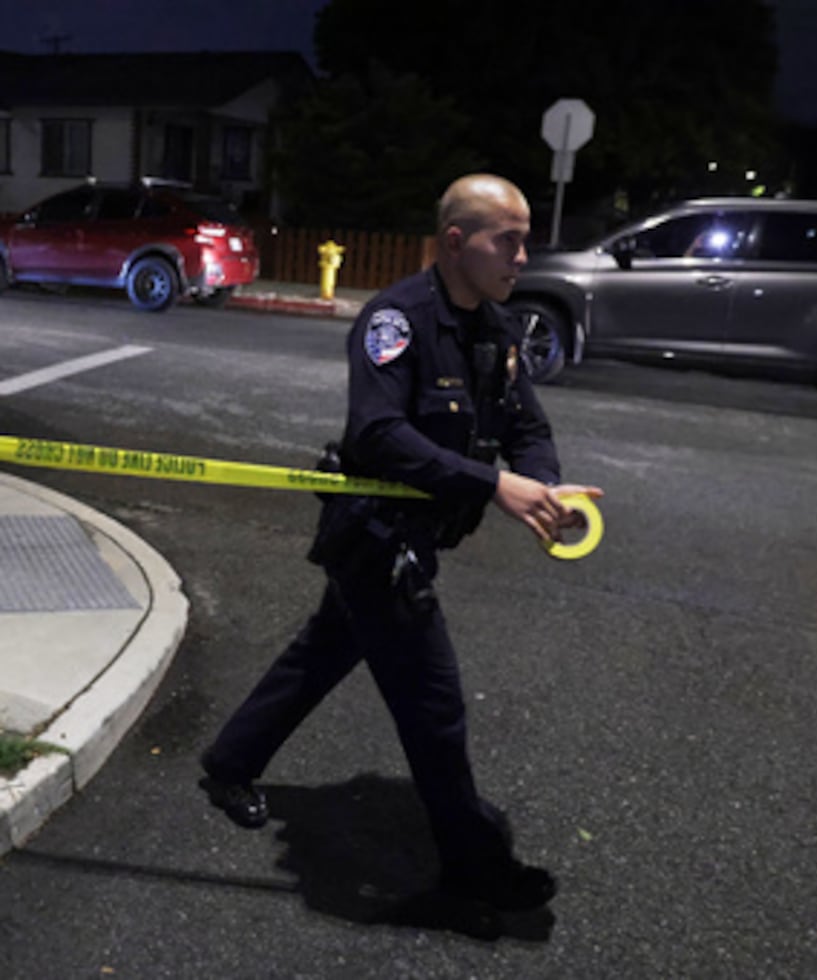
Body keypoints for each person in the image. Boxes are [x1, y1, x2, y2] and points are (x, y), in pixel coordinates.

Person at [199, 173, 603, 911]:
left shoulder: (494, 325)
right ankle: (476, 877)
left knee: (322, 652)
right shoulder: (395, 320)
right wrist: (491, 486)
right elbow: (377, 434)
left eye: (525, 243)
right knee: (435, 707)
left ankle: (228, 763)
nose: (522, 258)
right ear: (456, 242)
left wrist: (544, 486)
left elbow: (527, 428)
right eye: (507, 242)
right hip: (377, 540)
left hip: (421, 532)